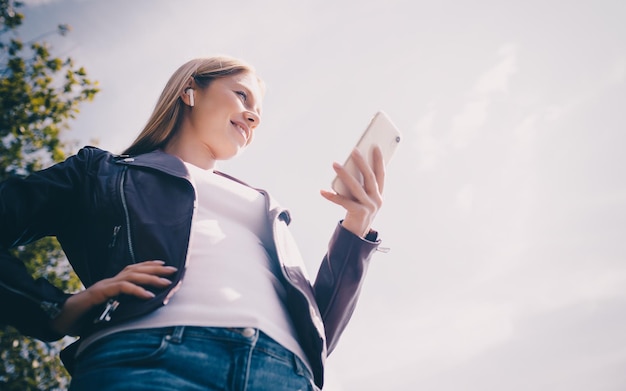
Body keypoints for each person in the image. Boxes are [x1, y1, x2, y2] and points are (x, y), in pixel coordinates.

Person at [0, 55, 386, 390]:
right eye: (241, 95)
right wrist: (54, 308)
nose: (253, 116)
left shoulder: (268, 208)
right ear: (190, 91)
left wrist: (356, 226)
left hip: (282, 373)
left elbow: (317, 334)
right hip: (148, 359)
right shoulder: (99, 172)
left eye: (259, 113)